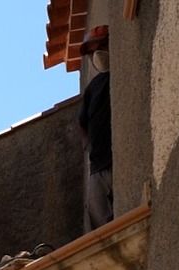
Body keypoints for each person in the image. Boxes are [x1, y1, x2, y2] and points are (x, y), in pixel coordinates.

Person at [79, 26, 113, 230]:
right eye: (92, 52)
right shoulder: (94, 86)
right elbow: (81, 121)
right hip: (98, 166)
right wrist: (88, 145)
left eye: (100, 47)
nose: (96, 55)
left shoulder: (119, 76)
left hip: (116, 159)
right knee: (100, 227)